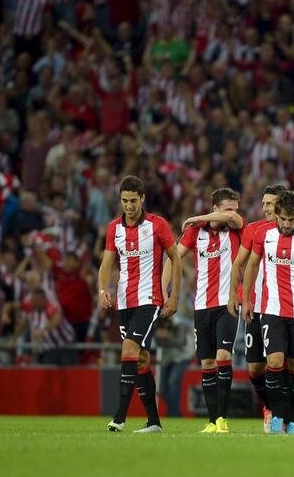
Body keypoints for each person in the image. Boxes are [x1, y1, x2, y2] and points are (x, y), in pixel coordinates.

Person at [238, 191, 294, 435]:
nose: (287, 224)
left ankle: (293, 420)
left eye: (291, 219)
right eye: (283, 219)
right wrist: (246, 299)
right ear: (276, 216)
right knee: (274, 361)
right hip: (271, 310)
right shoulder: (263, 234)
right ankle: (276, 417)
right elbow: (252, 264)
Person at [99, 175, 180, 433]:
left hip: (150, 299)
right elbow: (106, 263)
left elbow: (176, 259)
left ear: (142, 199)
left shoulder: (157, 225)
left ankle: (119, 417)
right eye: (125, 201)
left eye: (133, 200)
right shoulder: (114, 228)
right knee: (142, 359)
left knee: (129, 349)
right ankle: (154, 422)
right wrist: (103, 289)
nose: (129, 206)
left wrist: (174, 295)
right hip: (124, 302)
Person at [166, 188, 244, 434]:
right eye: (228, 208)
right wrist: (163, 290)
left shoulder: (236, 228)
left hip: (228, 303)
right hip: (202, 305)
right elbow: (173, 258)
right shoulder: (195, 234)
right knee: (208, 361)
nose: (233, 213)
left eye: (235, 208)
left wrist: (195, 218)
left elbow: (233, 219)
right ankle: (212, 421)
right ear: (215, 209)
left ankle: (222, 419)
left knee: (223, 356)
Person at [227, 185, 285, 432]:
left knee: (283, 364)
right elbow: (239, 263)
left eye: (270, 204)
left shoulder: (293, 230)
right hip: (255, 307)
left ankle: (284, 415)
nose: (265, 208)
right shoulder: (254, 230)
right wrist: (236, 296)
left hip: (283, 309)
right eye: (263, 203)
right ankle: (268, 407)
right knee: (255, 368)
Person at [15, 287, 76, 365]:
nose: (33, 302)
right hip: (50, 349)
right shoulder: (33, 310)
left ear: (42, 299)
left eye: (35, 300)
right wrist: (14, 339)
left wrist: (42, 331)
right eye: (32, 300)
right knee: (48, 370)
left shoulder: (50, 307)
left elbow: (56, 319)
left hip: (66, 346)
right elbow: (22, 322)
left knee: (70, 372)